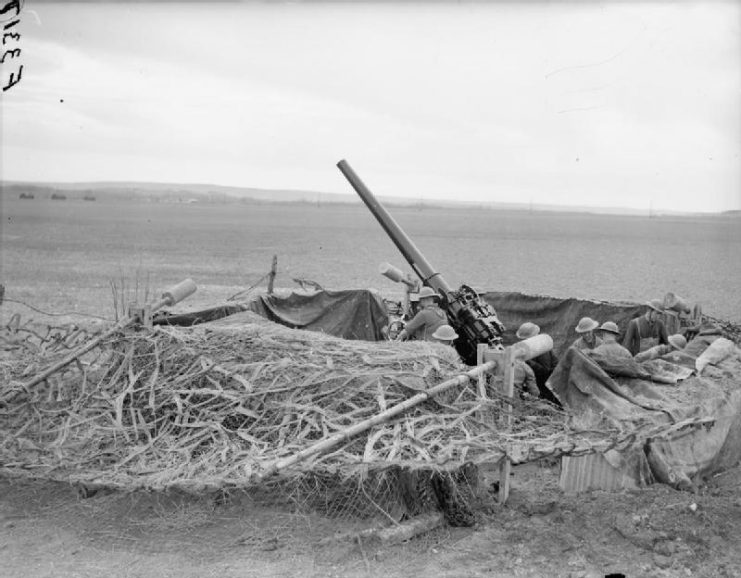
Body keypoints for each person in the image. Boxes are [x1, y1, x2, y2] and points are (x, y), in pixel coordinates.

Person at [516, 322, 560, 404]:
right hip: (540, 378)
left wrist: (528, 362)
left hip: (550, 379)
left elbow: (545, 370)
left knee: (551, 402)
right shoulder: (530, 347)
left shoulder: (542, 348)